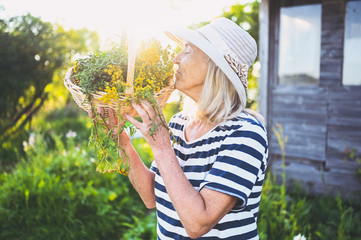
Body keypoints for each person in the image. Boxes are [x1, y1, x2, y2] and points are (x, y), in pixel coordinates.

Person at [102, 17, 268, 240]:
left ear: (213, 65)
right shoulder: (179, 123)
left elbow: (197, 224)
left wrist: (161, 146)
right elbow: (152, 196)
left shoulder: (246, 134)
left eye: (187, 51)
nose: (175, 58)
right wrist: (123, 143)